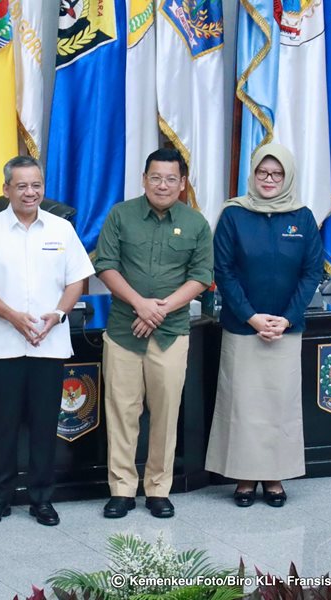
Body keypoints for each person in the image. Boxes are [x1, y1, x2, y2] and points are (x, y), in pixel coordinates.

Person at [0, 155, 94, 527]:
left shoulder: (61, 229)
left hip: (49, 344)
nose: (30, 192)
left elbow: (76, 281)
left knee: (43, 424)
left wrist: (58, 314)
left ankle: (42, 499)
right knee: (1, 425)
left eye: (36, 185)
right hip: (4, 344)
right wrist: (13, 317)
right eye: (21, 186)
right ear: (6, 190)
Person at [94, 148, 213, 519]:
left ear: (182, 183)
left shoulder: (195, 224)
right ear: (144, 179)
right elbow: (106, 266)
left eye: (171, 179)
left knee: (165, 414)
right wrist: (140, 304)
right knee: (122, 412)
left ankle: (158, 489)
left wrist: (158, 309)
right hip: (124, 332)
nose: (163, 185)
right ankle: (122, 490)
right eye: (156, 177)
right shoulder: (120, 215)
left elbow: (201, 277)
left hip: (171, 333)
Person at [205, 143, 323, 508]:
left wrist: (286, 318)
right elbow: (222, 270)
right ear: (252, 174)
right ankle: (243, 477)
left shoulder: (302, 217)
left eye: (277, 174)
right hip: (244, 328)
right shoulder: (234, 215)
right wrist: (252, 317)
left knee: (279, 405)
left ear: (287, 177)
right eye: (262, 173)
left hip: (286, 329)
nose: (269, 180)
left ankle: (274, 477)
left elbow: (312, 271)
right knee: (243, 405)